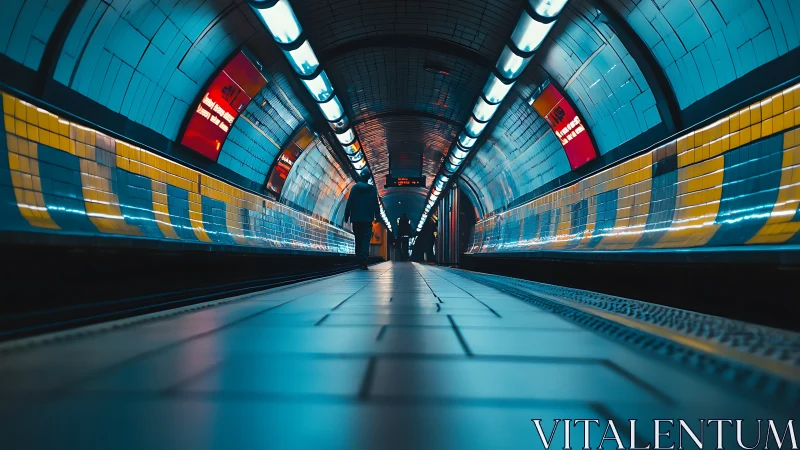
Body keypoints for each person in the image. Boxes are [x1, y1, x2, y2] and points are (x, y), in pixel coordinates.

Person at [344, 172, 380, 270]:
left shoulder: (355, 188)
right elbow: (375, 204)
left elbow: (350, 202)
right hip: (367, 219)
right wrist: (378, 216)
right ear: (368, 178)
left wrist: (346, 215)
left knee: (358, 239)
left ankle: (358, 259)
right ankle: (363, 259)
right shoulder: (372, 189)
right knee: (365, 240)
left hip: (356, 219)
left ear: (361, 176)